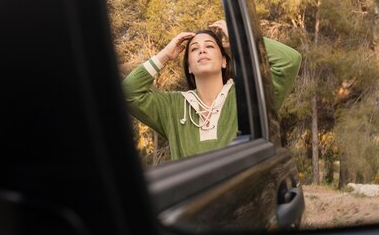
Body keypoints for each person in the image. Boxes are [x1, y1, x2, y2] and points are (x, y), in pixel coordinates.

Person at [122, 20, 301, 161]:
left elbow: (289, 62)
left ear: (224, 60)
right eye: (194, 49)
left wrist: (241, 39)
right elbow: (129, 92)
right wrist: (164, 56)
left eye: (209, 46)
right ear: (189, 67)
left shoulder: (247, 96)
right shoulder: (172, 107)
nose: (202, 51)